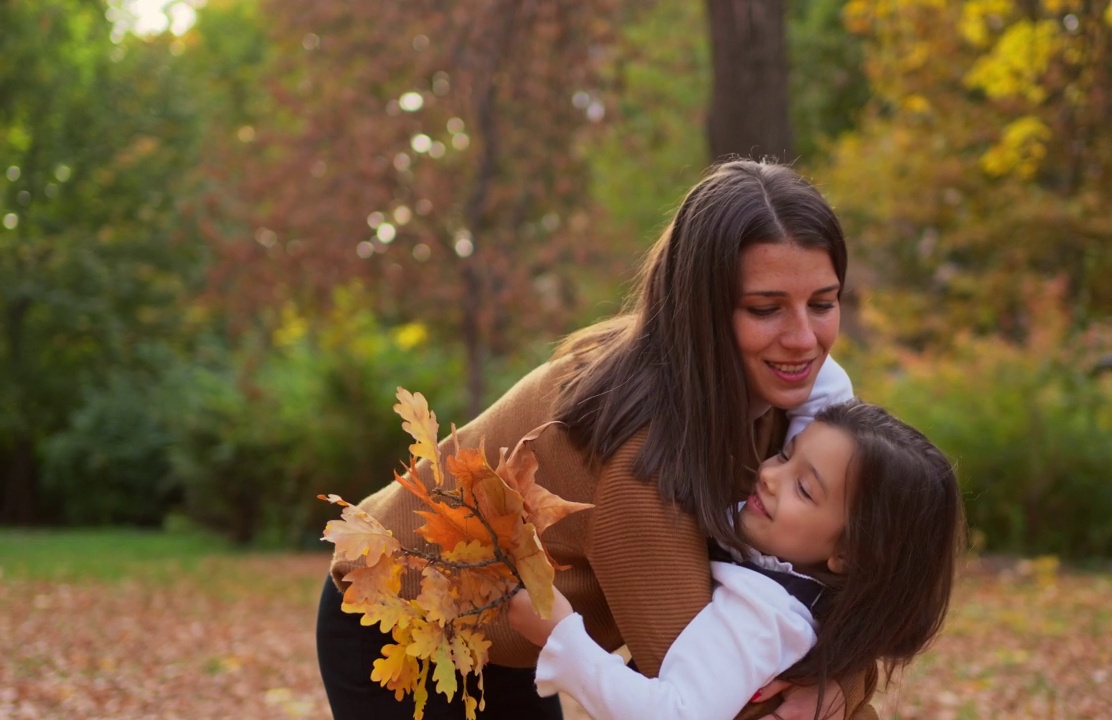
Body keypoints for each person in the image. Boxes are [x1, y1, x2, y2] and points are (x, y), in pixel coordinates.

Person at [316, 159, 875, 719]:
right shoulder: (642, 452)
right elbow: (705, 701)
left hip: (515, 643)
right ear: (700, 309)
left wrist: (838, 685)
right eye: (765, 308)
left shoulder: (802, 405)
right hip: (399, 620)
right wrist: (831, 687)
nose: (805, 338)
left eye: (823, 303)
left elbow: (865, 570)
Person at [507, 400, 966, 720]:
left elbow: (670, 714)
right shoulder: (786, 565)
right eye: (786, 454)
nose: (769, 476)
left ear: (847, 554)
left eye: (804, 489)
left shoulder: (760, 617)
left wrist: (562, 637)